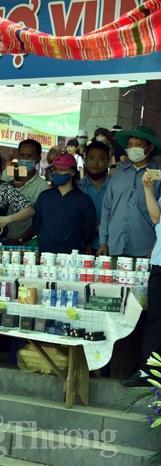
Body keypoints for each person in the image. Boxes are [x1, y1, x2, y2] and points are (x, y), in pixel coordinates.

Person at [97, 125, 161, 257]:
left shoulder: (158, 175)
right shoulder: (119, 174)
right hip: (114, 248)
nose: (132, 148)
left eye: (137, 144)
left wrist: (157, 246)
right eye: (130, 144)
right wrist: (103, 242)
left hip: (146, 251)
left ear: (150, 147)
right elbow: (106, 209)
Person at [123, 169, 161, 387]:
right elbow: (156, 217)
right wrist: (147, 188)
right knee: (155, 318)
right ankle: (149, 370)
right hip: (159, 263)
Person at [32, 154, 95, 254]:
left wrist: (74, 246)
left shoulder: (84, 201)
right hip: (45, 255)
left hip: (70, 258)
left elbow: (88, 232)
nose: (57, 173)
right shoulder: (44, 197)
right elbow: (36, 225)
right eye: (55, 170)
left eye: (62, 169)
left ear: (73, 172)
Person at [5, 139, 50, 247]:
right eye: (22, 155)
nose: (25, 159)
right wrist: (10, 184)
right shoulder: (7, 174)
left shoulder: (43, 188)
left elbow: (40, 221)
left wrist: (19, 240)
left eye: (30, 156)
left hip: (24, 244)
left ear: (38, 159)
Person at [77, 141, 111, 253]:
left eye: (101, 159)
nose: (95, 163)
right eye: (91, 158)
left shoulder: (115, 188)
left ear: (108, 162)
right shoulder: (77, 188)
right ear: (85, 160)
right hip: (81, 248)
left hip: (109, 248)